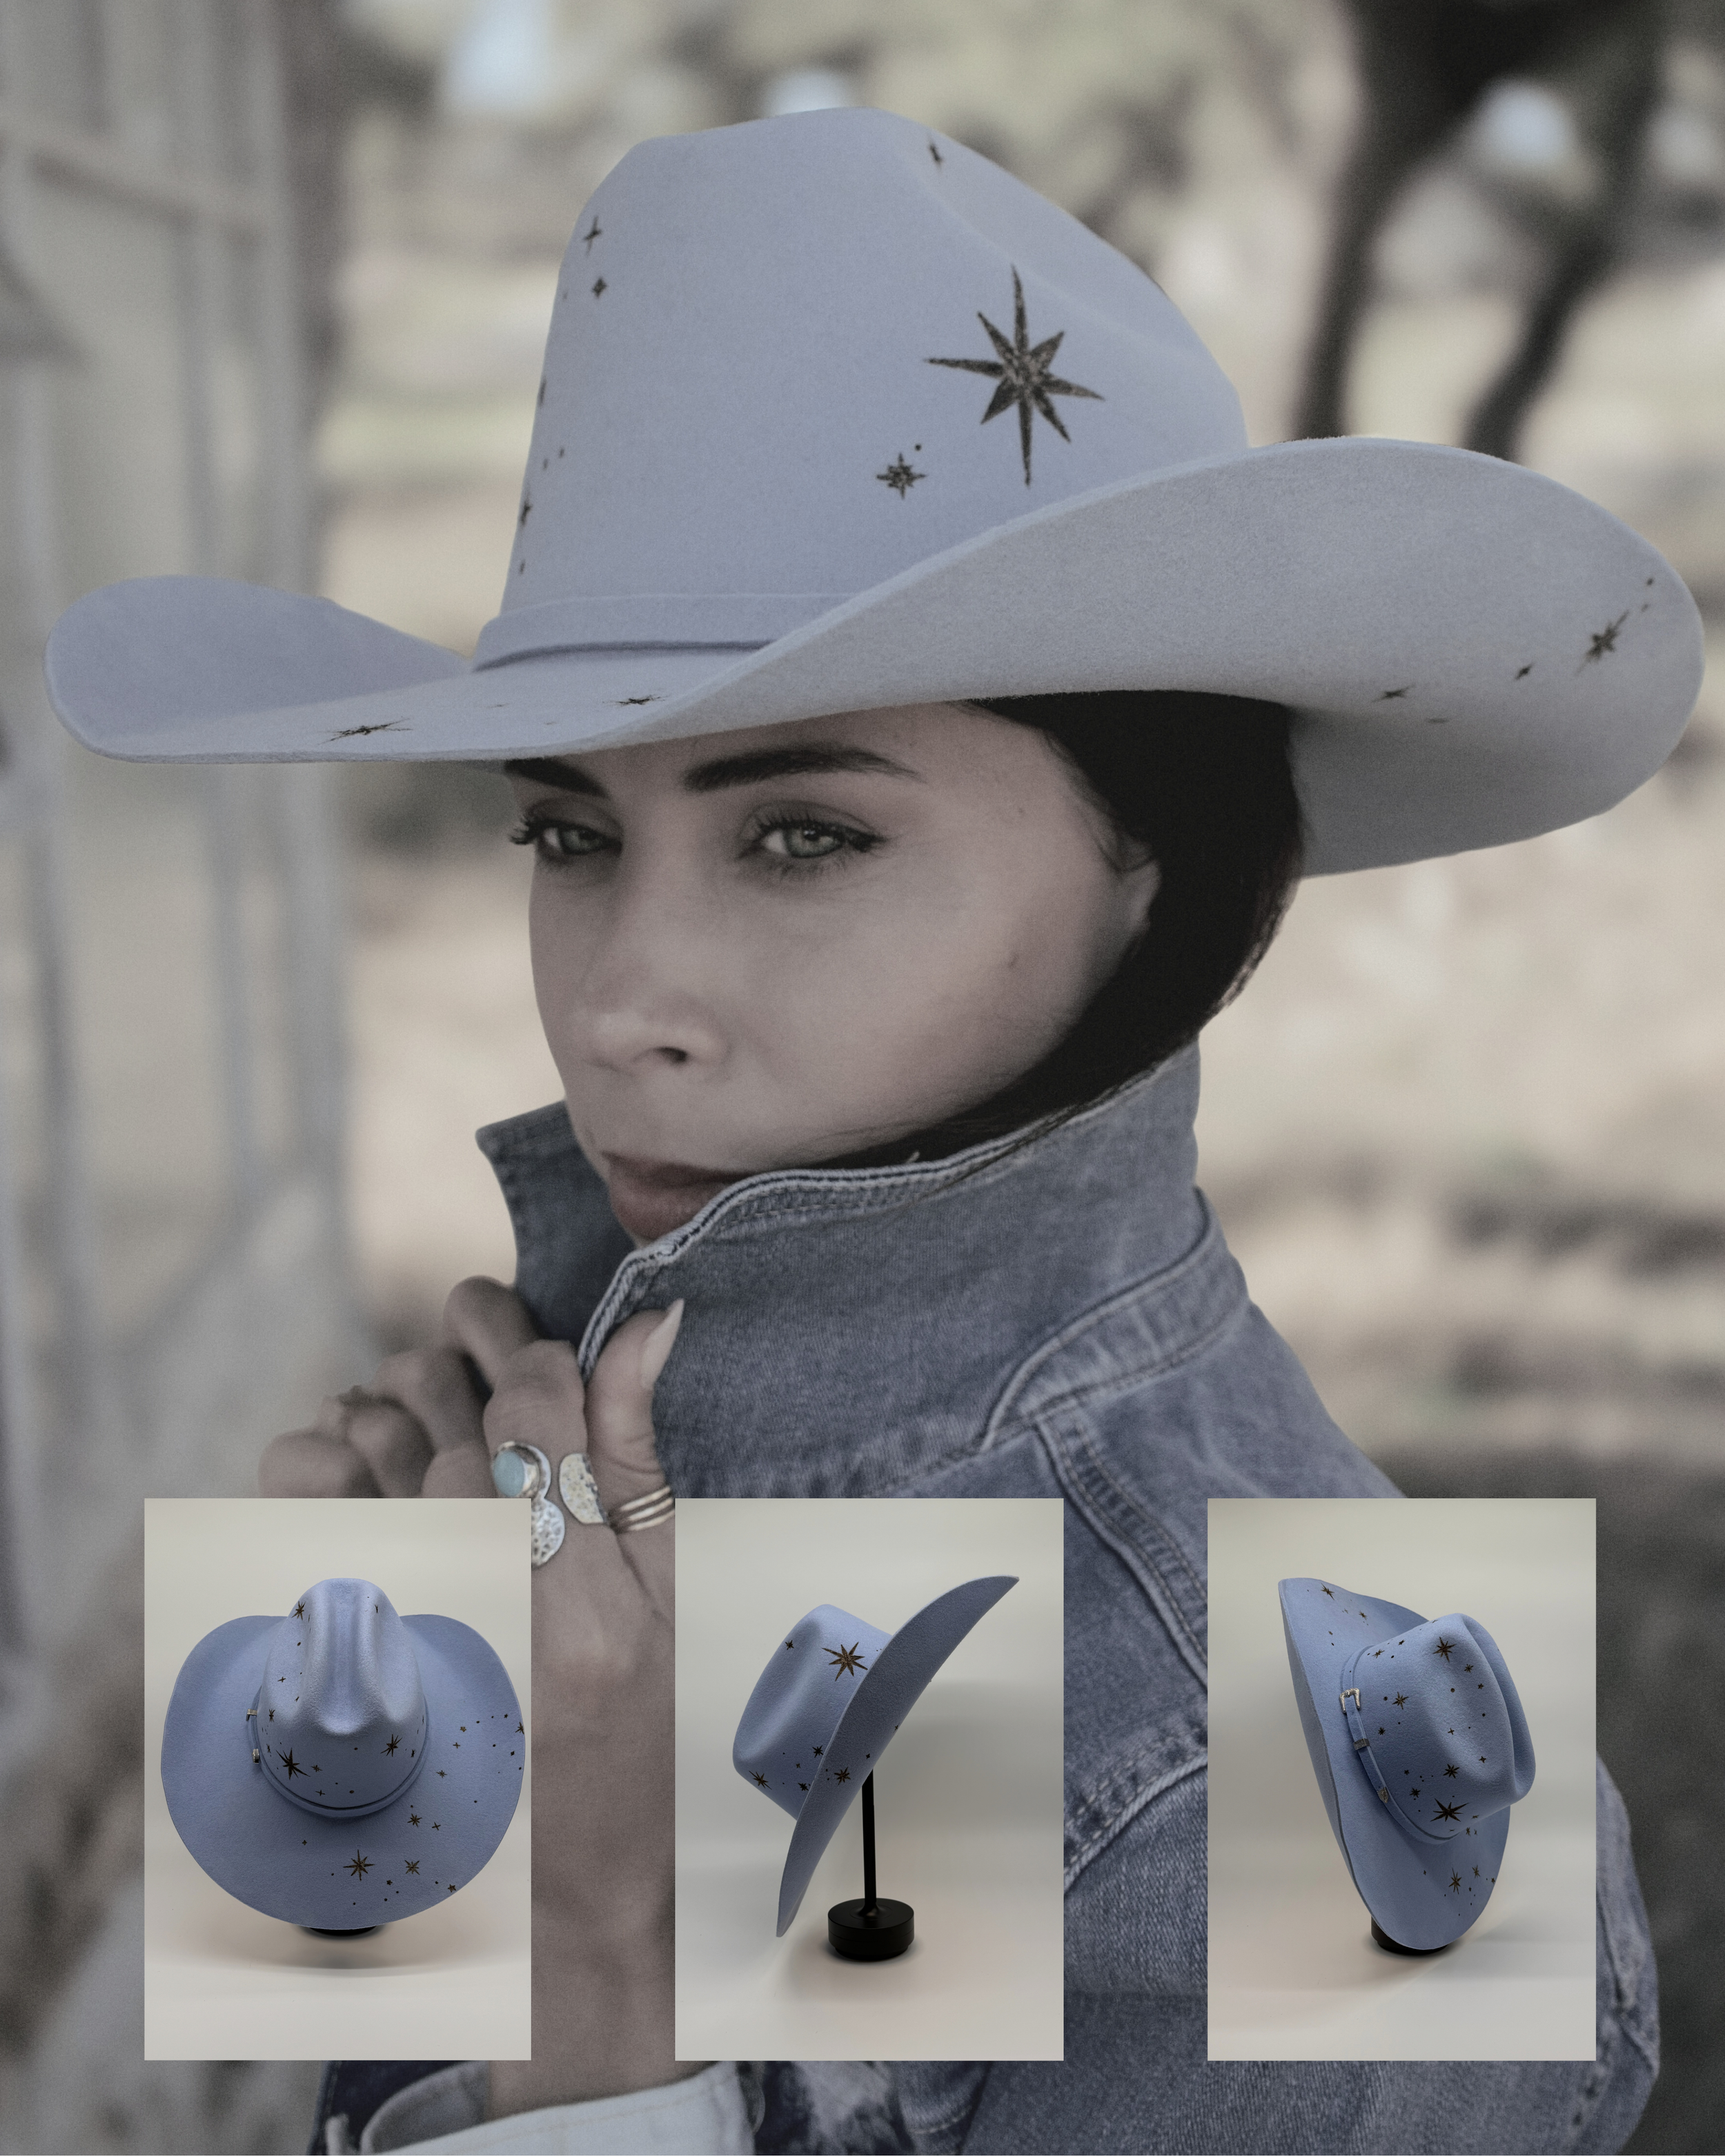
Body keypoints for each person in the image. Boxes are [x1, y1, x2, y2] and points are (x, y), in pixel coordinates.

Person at [47, 108, 1693, 2155]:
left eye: (805, 835)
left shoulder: (1321, 1793)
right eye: (568, 832)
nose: (621, 1003)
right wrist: (372, 1798)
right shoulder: (506, 1488)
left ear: (1155, 869)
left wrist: (592, 1968)